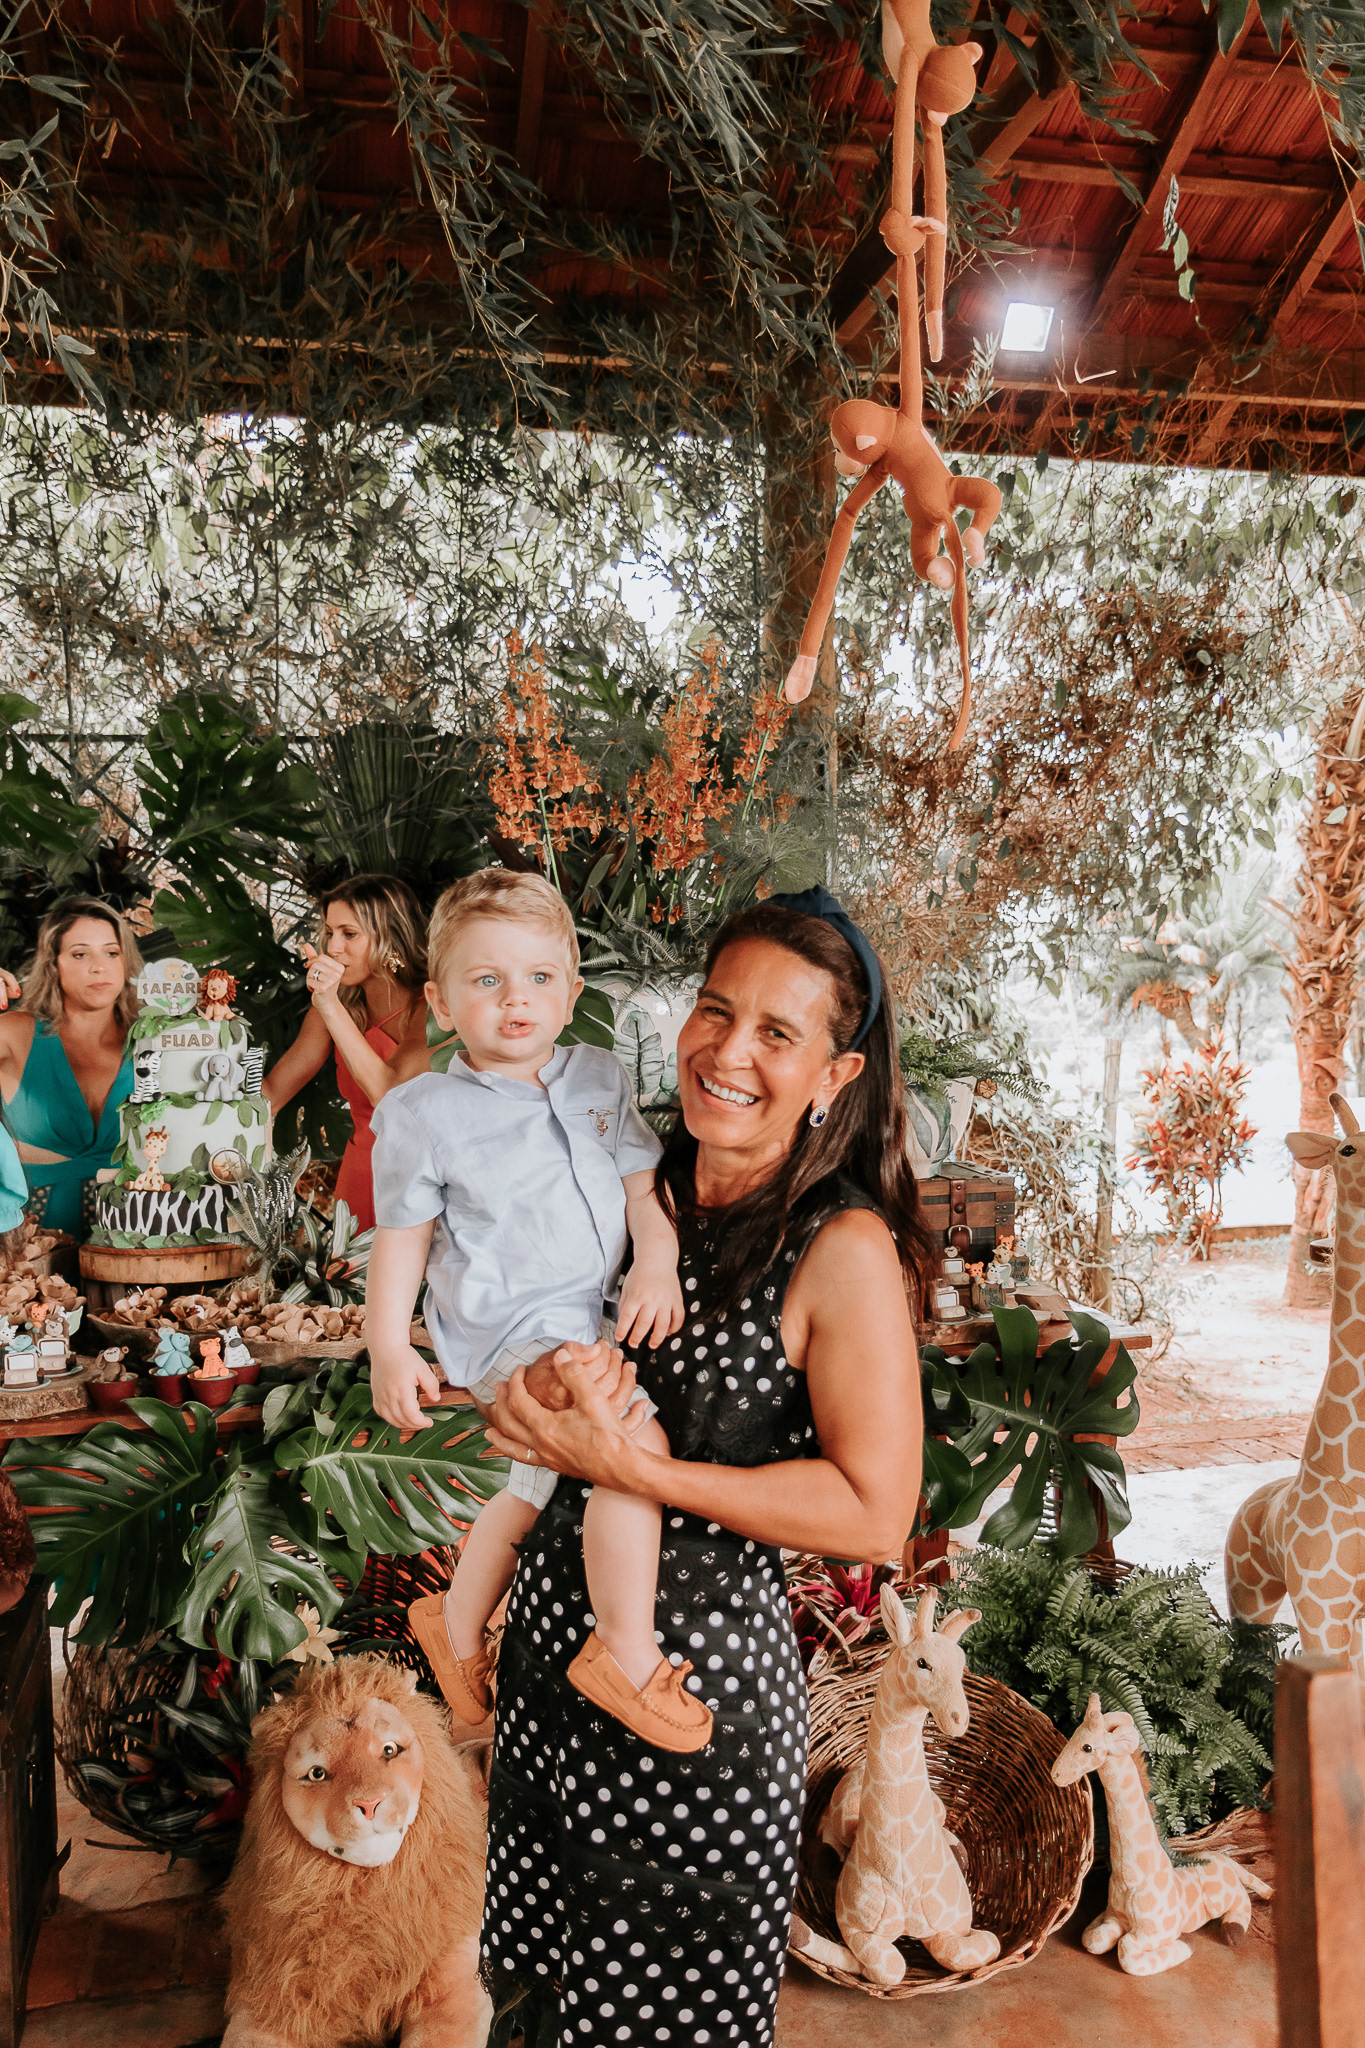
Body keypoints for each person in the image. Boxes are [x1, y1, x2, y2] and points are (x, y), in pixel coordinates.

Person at [464, 888, 932, 2048]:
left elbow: (876, 1510)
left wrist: (636, 1467)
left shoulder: (840, 1246)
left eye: (777, 1032)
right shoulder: (628, 1181)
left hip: (693, 1712)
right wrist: (524, 1394)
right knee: (531, 2007)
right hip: (551, 1679)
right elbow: (510, 1331)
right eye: (716, 1011)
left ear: (833, 1073)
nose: (728, 1053)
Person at [367, 870, 705, 1751]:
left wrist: (656, 1261)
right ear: (440, 1002)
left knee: (534, 1485)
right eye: (487, 980)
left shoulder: (597, 1075)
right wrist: (387, 1348)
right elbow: (400, 1240)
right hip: (508, 1330)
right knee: (630, 1442)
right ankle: (624, 1652)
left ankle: (453, 1623)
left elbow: (642, 1188)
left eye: (538, 978)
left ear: (571, 991)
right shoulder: (423, 1111)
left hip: (593, 1320)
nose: (515, 999)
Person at [262, 874, 430, 1230]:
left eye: (349, 934)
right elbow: (271, 1095)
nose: (333, 947)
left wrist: (329, 1005)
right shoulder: (335, 1006)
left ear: (390, 935)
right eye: (329, 932)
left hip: (419, 1181)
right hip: (358, 1175)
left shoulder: (432, 1006)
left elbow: (388, 1094)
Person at [0, 898, 141, 1237]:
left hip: (135, 1245)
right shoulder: (15, 1033)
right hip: (27, 1250)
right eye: (80, 954)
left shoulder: (156, 1040)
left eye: (112, 952)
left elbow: (255, 1101)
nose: (99, 967)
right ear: (54, 964)